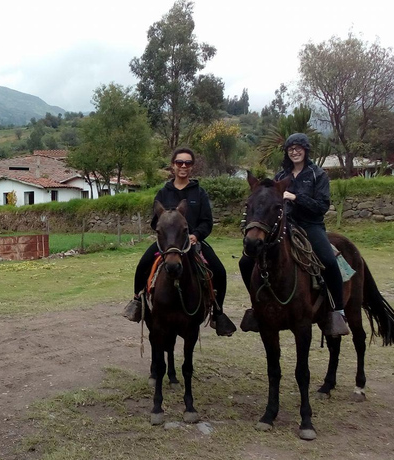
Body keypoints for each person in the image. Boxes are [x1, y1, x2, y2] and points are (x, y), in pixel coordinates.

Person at [239, 133, 349, 336]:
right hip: (284, 226)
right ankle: (256, 306)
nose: (295, 151)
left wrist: (296, 197)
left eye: (299, 148)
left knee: (329, 260)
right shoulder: (280, 177)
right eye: (291, 149)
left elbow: (322, 206)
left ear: (306, 151)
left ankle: (337, 311)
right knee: (245, 262)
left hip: (311, 226)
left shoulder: (318, 175)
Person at [123, 148, 237, 337]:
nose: (183, 166)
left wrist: (196, 235)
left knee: (219, 270)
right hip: (168, 244)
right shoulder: (163, 193)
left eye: (188, 163)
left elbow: (207, 222)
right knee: (143, 264)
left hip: (192, 241)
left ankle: (218, 312)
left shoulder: (199, 193)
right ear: (173, 166)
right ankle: (138, 302)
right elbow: (155, 222)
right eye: (179, 162)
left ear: (192, 166)